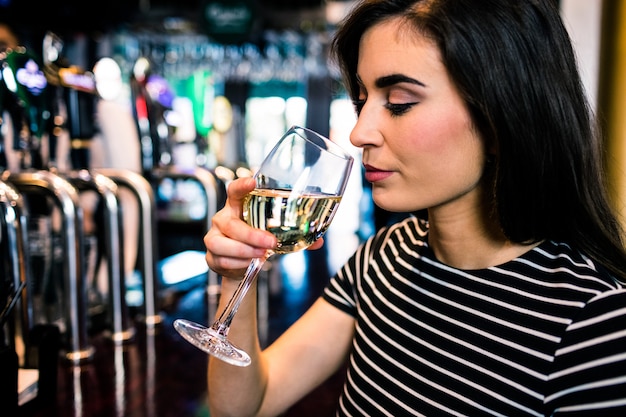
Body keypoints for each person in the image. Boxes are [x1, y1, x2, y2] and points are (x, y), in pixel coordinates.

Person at [203, 0, 626, 415]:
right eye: (362, 100)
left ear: (501, 119)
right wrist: (237, 275)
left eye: (400, 101)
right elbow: (247, 406)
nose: (359, 132)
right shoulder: (383, 256)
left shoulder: (594, 325)